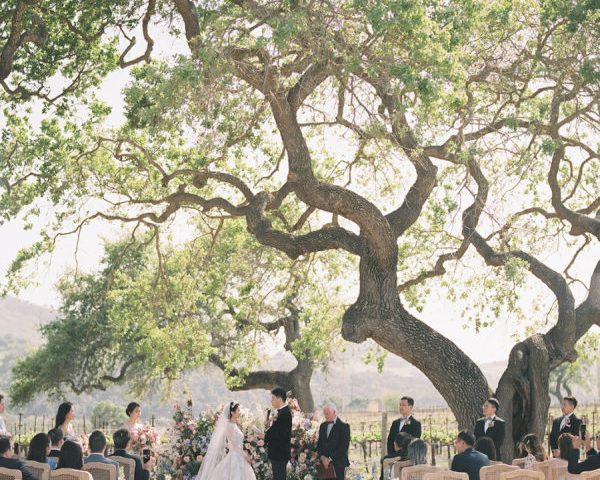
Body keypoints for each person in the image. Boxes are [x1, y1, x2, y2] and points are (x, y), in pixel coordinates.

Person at [196, 402, 256, 480]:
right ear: (232, 413)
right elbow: (235, 446)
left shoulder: (234, 425)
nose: (240, 412)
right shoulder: (229, 426)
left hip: (238, 456)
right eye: (238, 410)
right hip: (235, 456)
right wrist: (246, 456)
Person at [316, 403, 350, 480]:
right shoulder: (323, 426)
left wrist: (330, 458)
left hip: (338, 463)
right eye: (325, 414)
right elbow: (319, 444)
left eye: (328, 414)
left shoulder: (344, 426)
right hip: (323, 464)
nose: (326, 416)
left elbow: (344, 447)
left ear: (334, 412)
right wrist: (322, 457)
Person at [264, 387, 292, 480]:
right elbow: (276, 431)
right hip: (278, 453)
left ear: (279, 399)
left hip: (279, 453)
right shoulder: (281, 412)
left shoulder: (284, 414)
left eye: (273, 398)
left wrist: (264, 436)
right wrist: (268, 427)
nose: (271, 401)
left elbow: (279, 435)